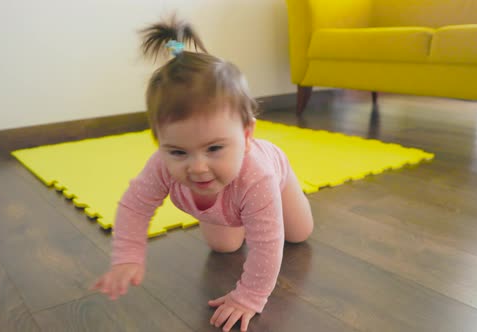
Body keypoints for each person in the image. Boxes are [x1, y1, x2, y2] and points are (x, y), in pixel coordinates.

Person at [91, 16, 314, 332]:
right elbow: (134, 206)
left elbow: (268, 244)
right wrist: (127, 256)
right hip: (226, 206)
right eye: (178, 152)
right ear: (160, 142)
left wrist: (249, 297)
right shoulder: (160, 165)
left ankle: (263, 211)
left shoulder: (259, 175)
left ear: (247, 134)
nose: (197, 168)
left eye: (214, 148)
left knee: (298, 234)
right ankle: (249, 214)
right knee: (224, 247)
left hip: (275, 180)